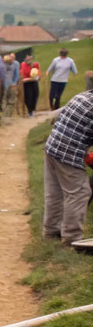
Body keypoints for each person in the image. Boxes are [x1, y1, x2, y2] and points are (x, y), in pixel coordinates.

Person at [43, 89, 93, 245]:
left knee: (55, 193)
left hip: (52, 147)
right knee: (78, 193)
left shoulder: (83, 96)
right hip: (69, 153)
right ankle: (72, 238)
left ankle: (51, 232)